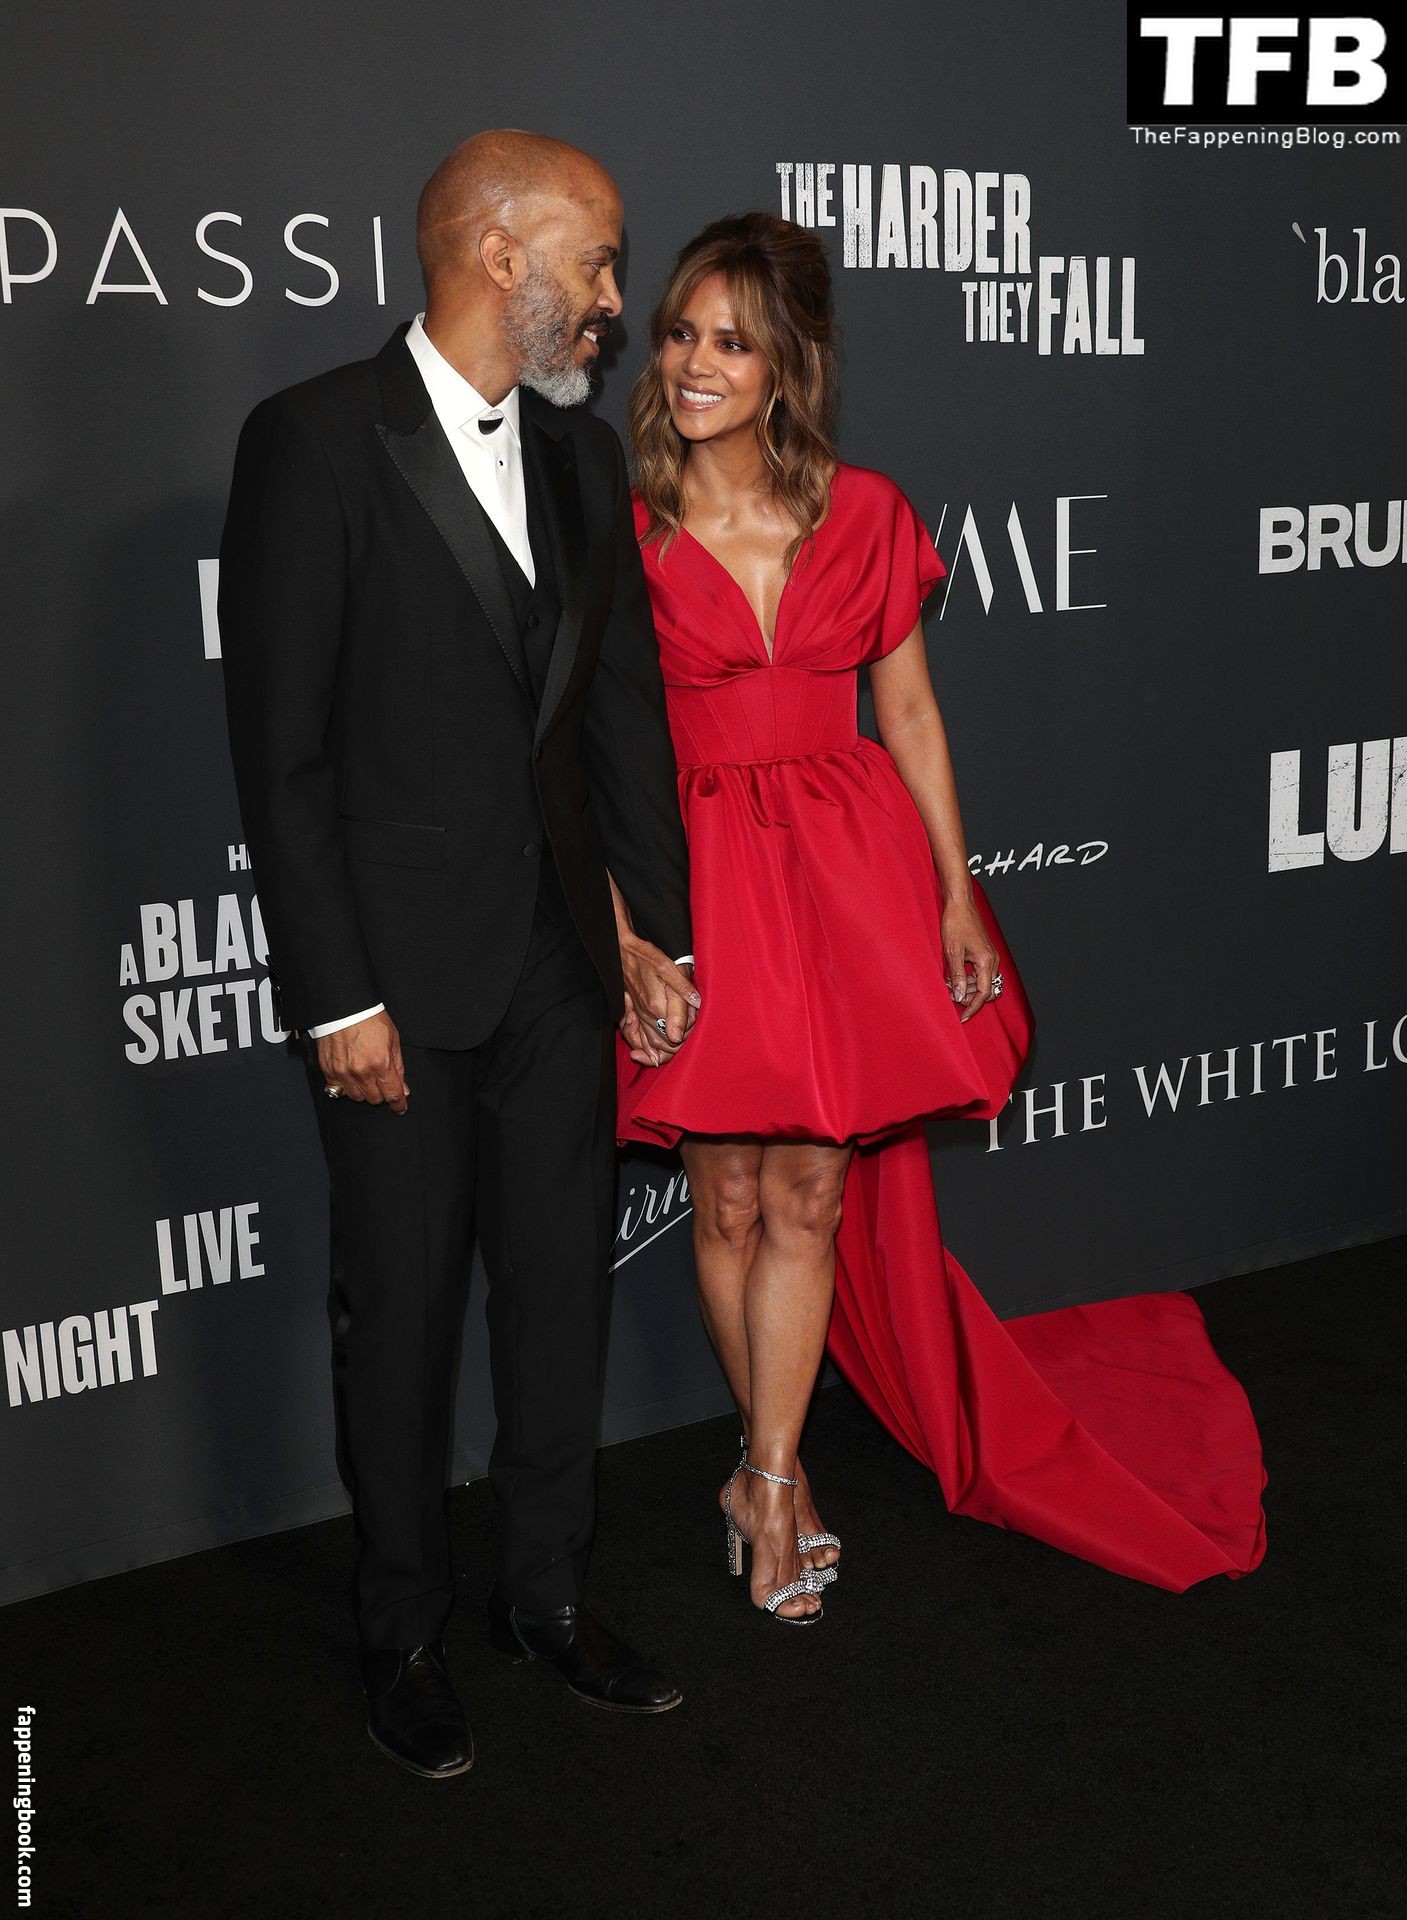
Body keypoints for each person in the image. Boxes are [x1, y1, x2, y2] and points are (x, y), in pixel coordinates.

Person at [617, 213, 1267, 1622]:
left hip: (848, 877)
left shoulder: (868, 513)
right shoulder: (623, 531)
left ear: (787, 367)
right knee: (727, 1193)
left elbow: (907, 712)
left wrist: (958, 892)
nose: (696, 364)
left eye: (733, 342)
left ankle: (768, 1481)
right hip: (699, 876)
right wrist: (627, 931)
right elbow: (587, 750)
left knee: (813, 1189)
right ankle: (772, 1469)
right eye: (679, 334)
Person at [219, 131, 701, 1778]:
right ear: (501, 256)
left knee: (559, 1303)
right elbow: (282, 758)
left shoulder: (580, 458)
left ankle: (548, 1597)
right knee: (405, 1320)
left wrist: (654, 932)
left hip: (561, 967)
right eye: (597, 258)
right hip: (397, 993)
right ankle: (405, 1631)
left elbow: (618, 719)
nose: (615, 298)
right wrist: (337, 993)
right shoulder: (312, 442)